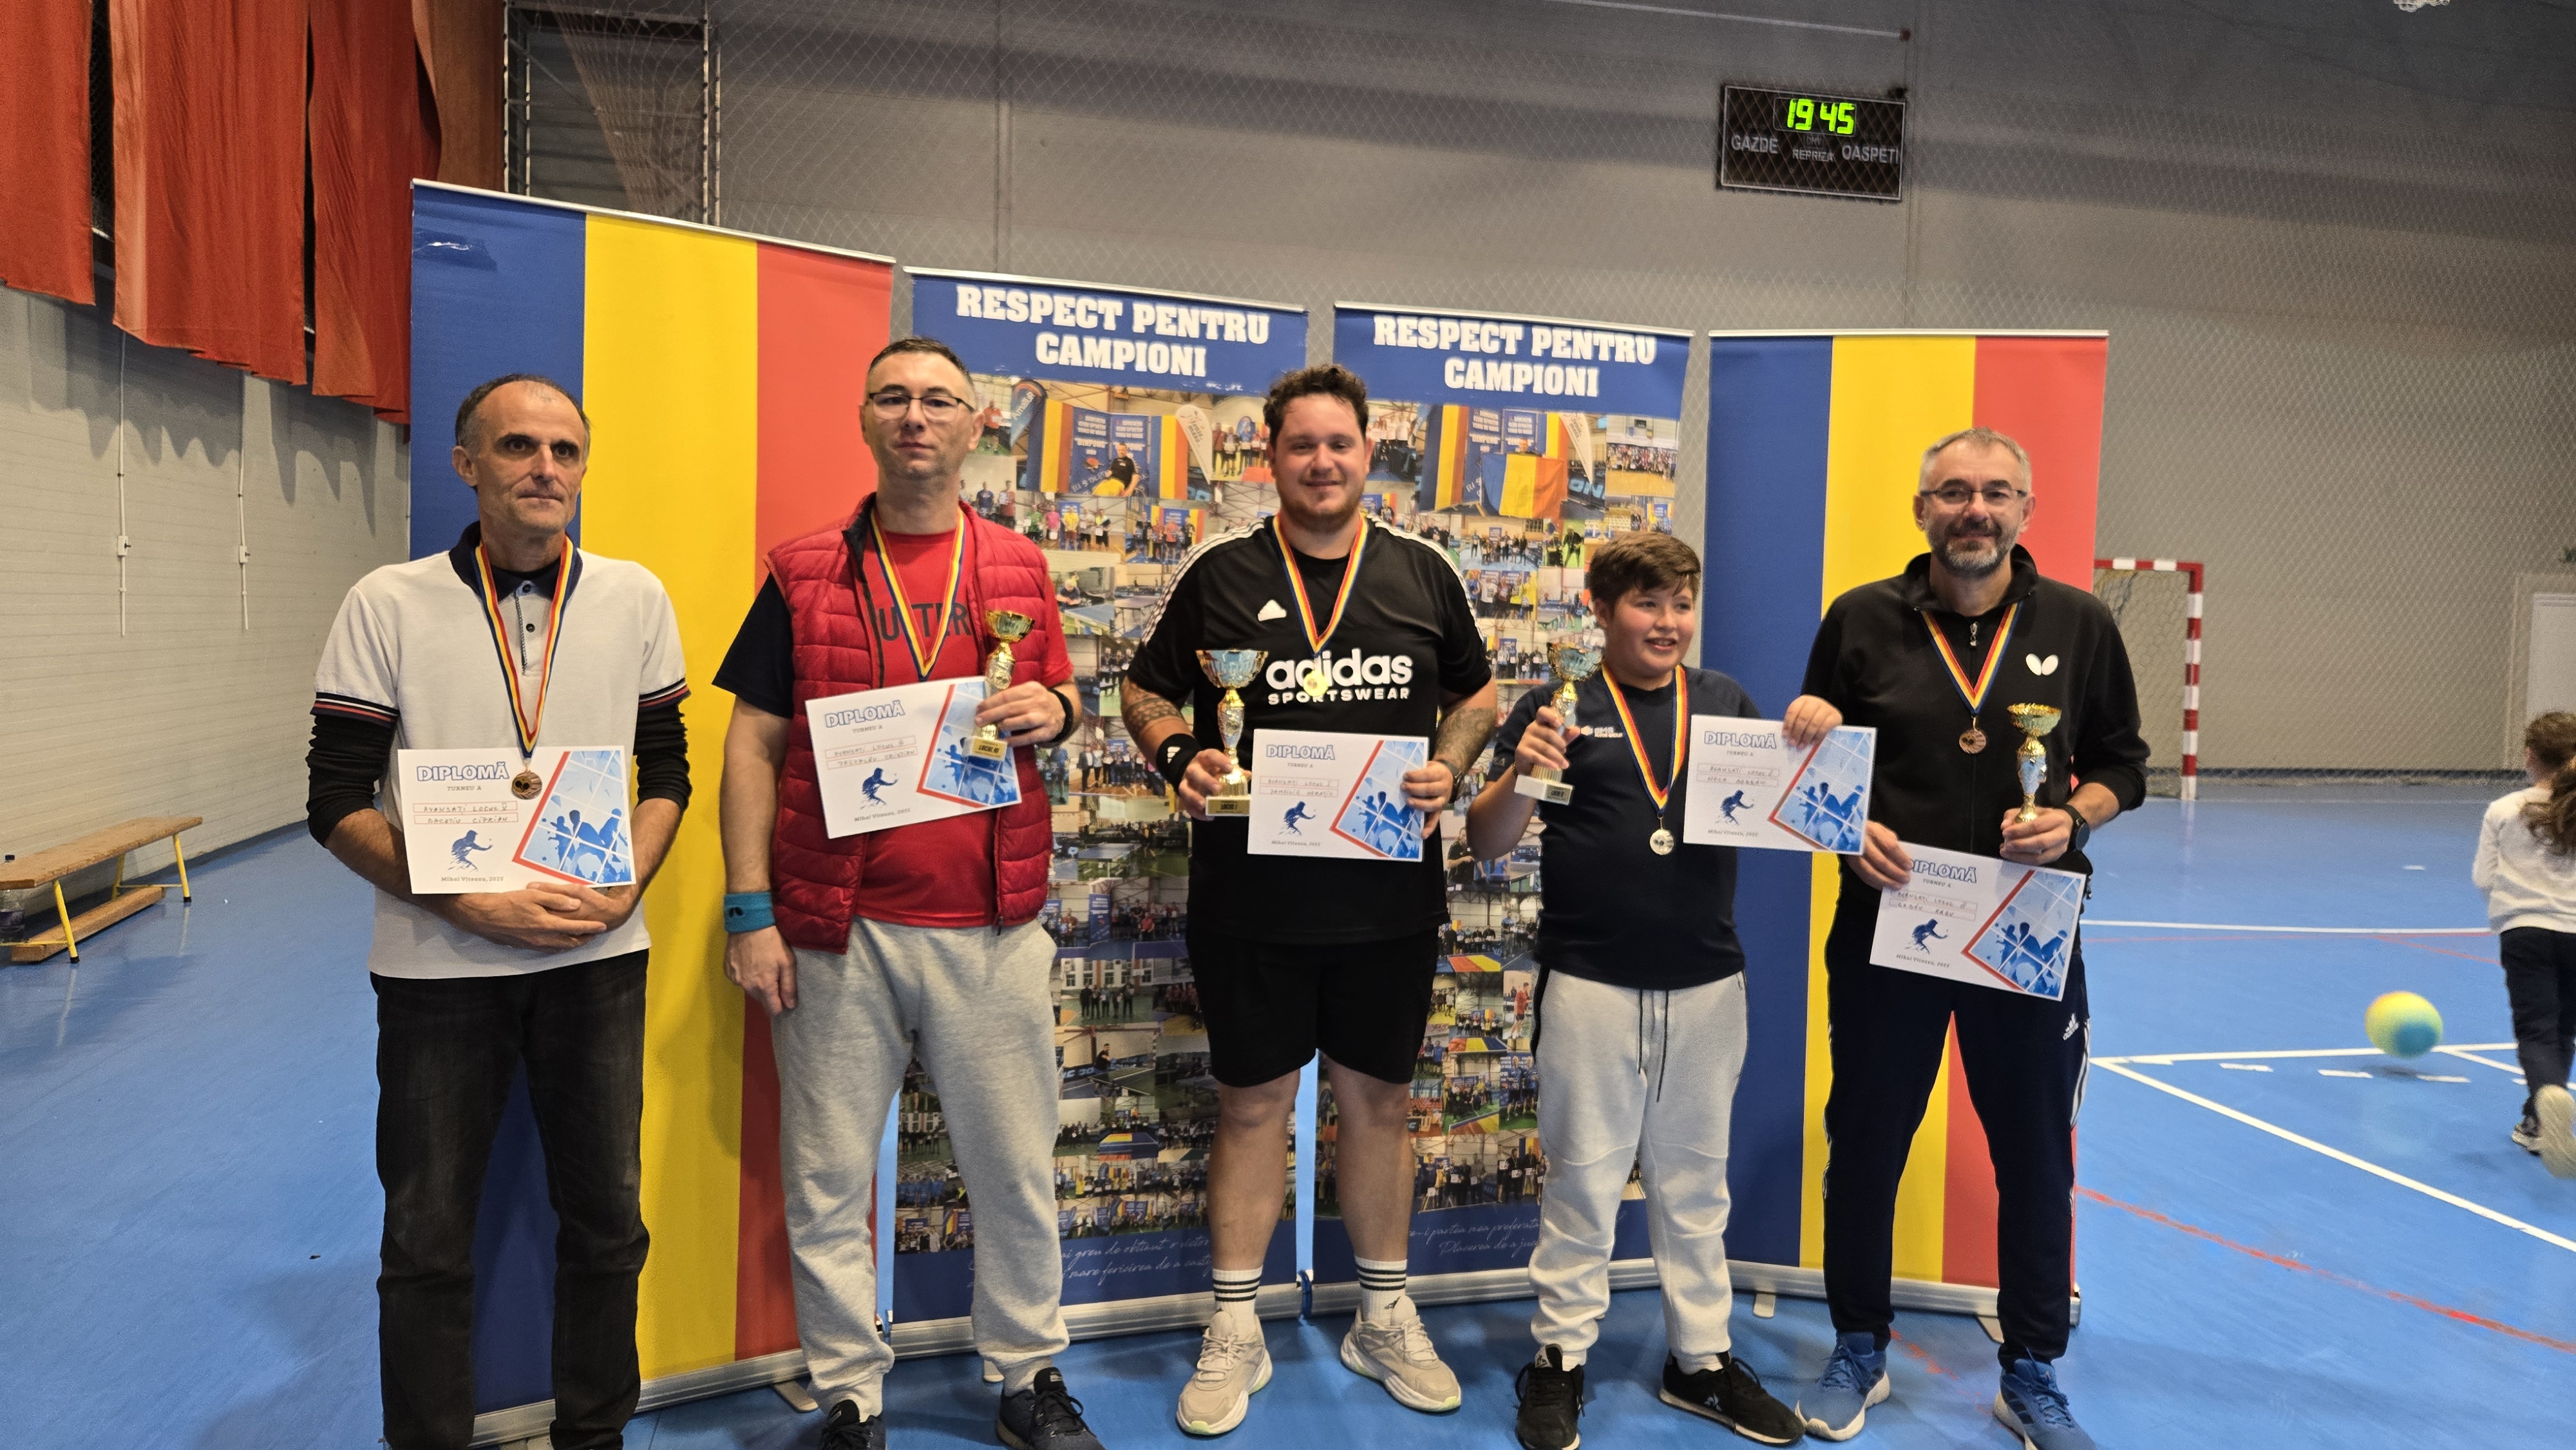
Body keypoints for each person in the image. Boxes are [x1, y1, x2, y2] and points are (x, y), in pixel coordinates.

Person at [712, 337, 1100, 1450]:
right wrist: (750, 911)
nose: (915, 416)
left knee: (1014, 1171)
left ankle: (1027, 1373)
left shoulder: (1018, 566)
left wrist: (1058, 713)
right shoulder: (802, 572)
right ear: (865, 419)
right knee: (828, 1176)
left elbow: (1059, 695)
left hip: (990, 928)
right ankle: (850, 1391)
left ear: (976, 425)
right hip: (838, 932)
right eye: (893, 397)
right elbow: (753, 744)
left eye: (938, 400)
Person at [307, 375, 692, 1450]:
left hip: (596, 957)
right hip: (436, 970)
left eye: (565, 449)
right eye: (518, 445)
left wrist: (628, 884)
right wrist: (469, 903)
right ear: (466, 463)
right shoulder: (385, 602)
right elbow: (333, 799)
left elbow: (667, 771)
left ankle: (595, 1436)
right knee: (425, 1239)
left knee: (608, 1226)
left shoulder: (636, 597)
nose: (545, 468)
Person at [1121, 364, 1497, 1435]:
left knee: (1379, 1104)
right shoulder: (1220, 572)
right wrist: (1181, 755)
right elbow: (1142, 688)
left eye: (1340, 443)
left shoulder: (1424, 571)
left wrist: (1451, 764)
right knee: (1251, 1106)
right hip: (1251, 901)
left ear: (1368, 451)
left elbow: (1477, 692)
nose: (1322, 462)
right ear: (1271, 456)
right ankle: (1236, 1326)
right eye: (1302, 445)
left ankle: (1382, 1315)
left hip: (1388, 901)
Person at [1790, 427, 2146, 1449]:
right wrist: (1844, 826)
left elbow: (2125, 765)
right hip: (1889, 927)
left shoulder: (2079, 623)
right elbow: (1814, 763)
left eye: (1995, 492)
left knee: (2035, 1154)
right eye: (1953, 492)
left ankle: (2029, 1369)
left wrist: (2071, 819)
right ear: (1922, 511)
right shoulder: (1859, 618)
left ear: (2026, 510)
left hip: (2026, 933)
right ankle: (1859, 1345)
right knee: (1867, 1142)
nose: (1974, 510)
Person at [1466, 531, 1820, 1449]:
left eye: (1682, 604)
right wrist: (1527, 770)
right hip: (1589, 979)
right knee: (1582, 1180)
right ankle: (1559, 1357)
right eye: (1647, 603)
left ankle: (1700, 1359)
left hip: (1706, 980)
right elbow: (1487, 840)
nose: (1668, 623)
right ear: (1601, 609)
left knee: (1696, 1183)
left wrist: (1814, 736)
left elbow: (1798, 806)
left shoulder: (1726, 703)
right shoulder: (1558, 705)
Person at [2476, 711, 2576, 1177]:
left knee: (2536, 1029)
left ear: (2530, 756)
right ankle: (2537, 1120)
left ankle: (2545, 1101)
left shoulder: (2505, 809)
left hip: (2525, 932)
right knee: (2564, 1029)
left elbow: (2484, 878)